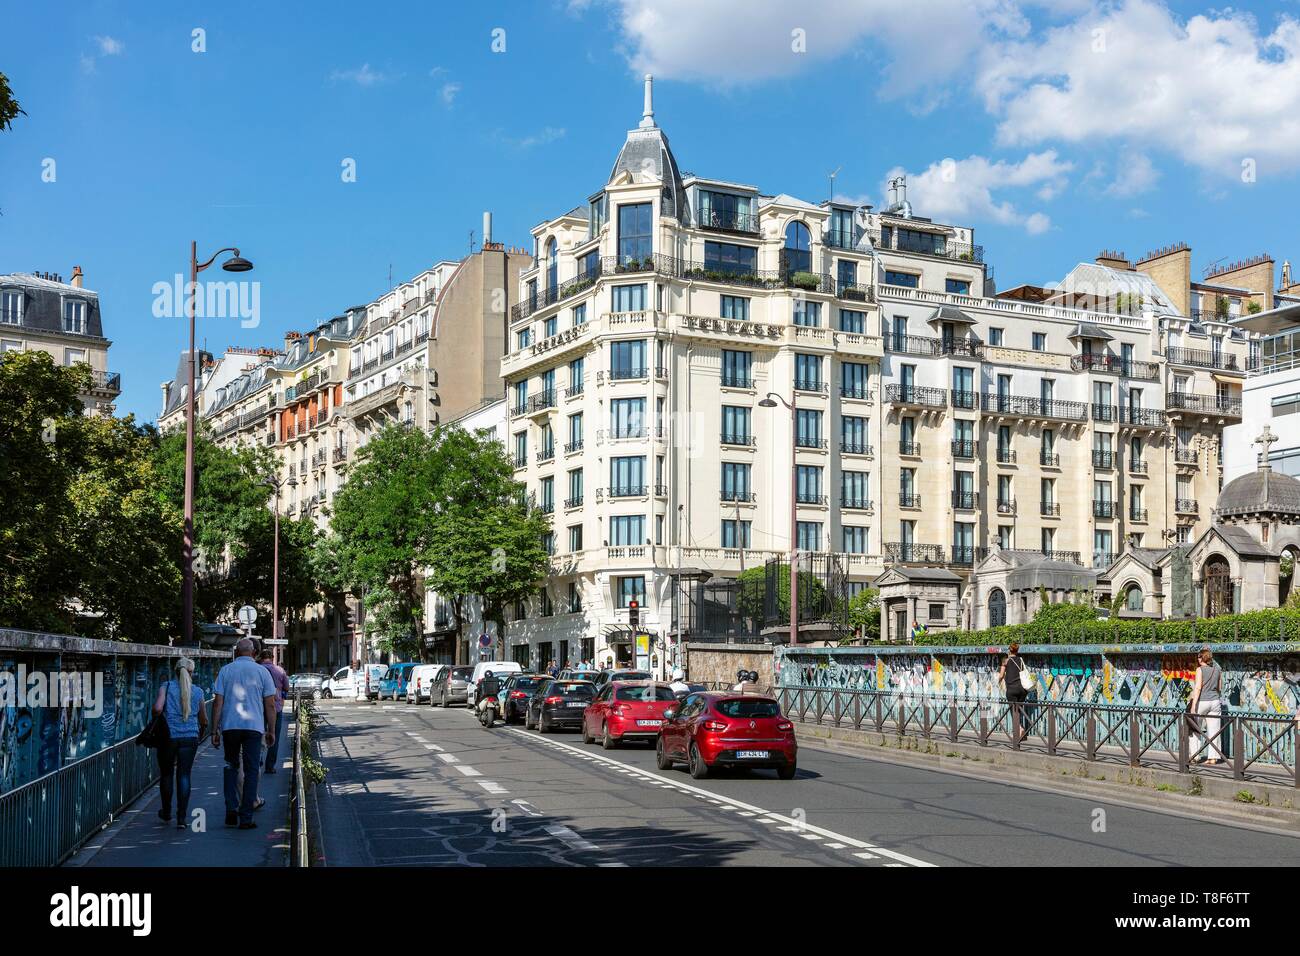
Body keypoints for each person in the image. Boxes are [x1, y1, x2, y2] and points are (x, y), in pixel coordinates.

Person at [212, 637, 278, 829]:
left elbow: (218, 702)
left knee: (231, 767)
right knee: (251, 771)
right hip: (253, 728)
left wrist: (215, 729)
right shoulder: (262, 672)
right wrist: (271, 730)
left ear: (237, 652)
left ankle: (231, 810)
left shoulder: (225, 671)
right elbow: (270, 704)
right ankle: (246, 816)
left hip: (230, 726)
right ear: (254, 653)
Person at [152, 657, 207, 829]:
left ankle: (166, 811)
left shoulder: (166, 687)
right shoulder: (198, 691)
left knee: (166, 774)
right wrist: (200, 732)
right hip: (190, 738)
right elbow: (204, 719)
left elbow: (158, 708)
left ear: (175, 671)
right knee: (184, 775)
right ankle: (182, 818)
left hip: (169, 737)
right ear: (191, 672)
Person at [1189, 647, 1224, 765]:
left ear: (1201, 658)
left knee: (1195, 729)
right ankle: (1213, 758)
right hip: (1215, 702)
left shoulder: (1200, 670)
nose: (1198, 659)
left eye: (1199, 657)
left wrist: (1194, 705)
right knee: (1214, 730)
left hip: (1202, 702)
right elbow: (1220, 688)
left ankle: (1195, 756)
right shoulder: (1217, 670)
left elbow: (1198, 687)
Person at [258, 651, 290, 775]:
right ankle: (270, 766)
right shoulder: (280, 670)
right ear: (272, 658)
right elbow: (286, 688)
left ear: (261, 658)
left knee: (259, 734)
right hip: (276, 708)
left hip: (259, 708)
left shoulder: (257, 670)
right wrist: (281, 697)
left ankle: (258, 759)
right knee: (274, 736)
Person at [998, 642, 1031, 743]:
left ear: (1009, 650)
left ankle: (1020, 730)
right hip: (1022, 690)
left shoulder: (1006, 661)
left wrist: (998, 683)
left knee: (1014, 711)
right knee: (1019, 710)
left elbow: (1001, 675)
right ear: (1017, 650)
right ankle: (1020, 731)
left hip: (1012, 690)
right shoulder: (1021, 660)